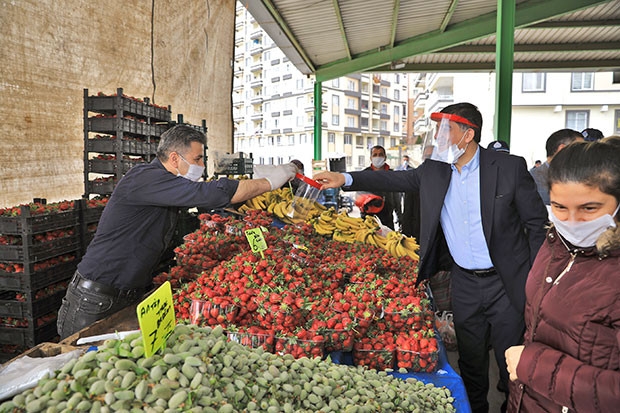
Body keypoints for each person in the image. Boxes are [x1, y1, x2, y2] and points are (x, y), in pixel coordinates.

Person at [315, 102, 548, 413]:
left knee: (511, 358)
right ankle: (476, 407)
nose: (438, 138)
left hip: (506, 281)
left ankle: (512, 406)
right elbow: (391, 181)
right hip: (464, 282)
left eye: (445, 130)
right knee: (471, 358)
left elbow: (535, 225)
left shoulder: (507, 167)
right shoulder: (434, 171)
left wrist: (533, 278)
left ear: (468, 134)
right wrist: (345, 179)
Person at [57, 125, 297, 339]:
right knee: (77, 364)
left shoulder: (164, 183)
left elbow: (210, 201)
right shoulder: (147, 179)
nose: (202, 166)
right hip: (96, 297)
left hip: (127, 294)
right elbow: (209, 194)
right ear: (174, 158)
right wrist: (270, 181)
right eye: (198, 159)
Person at [505, 140, 620, 412]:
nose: (572, 222)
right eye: (559, 207)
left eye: (589, 209)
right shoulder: (556, 243)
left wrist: (532, 366)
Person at [529, 129, 583, 205]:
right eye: (580, 150)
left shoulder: (581, 178)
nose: (584, 155)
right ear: (562, 149)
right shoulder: (531, 179)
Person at [361, 145, 398, 230]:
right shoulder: (364, 175)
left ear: (385, 157)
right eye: (375, 155)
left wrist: (399, 216)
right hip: (368, 220)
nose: (378, 157)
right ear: (371, 158)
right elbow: (359, 197)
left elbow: (397, 197)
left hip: (387, 218)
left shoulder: (392, 175)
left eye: (380, 155)